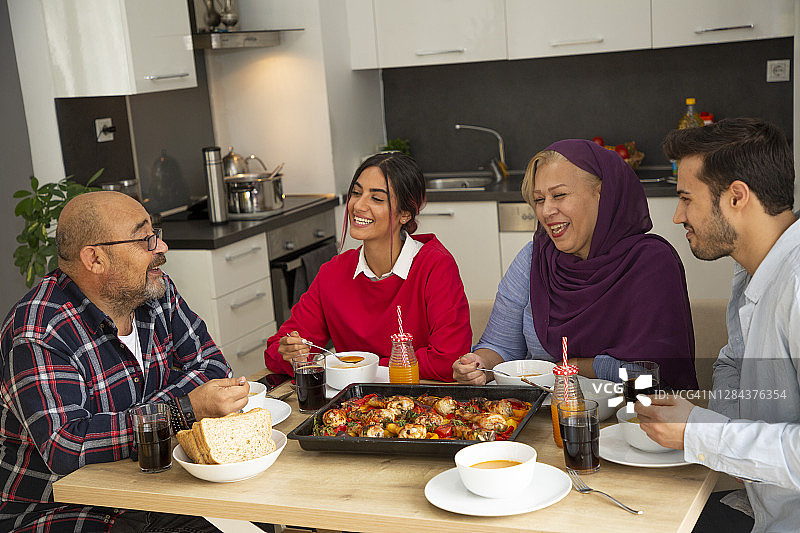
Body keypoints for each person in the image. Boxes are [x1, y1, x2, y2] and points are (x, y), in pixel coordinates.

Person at [0, 191, 249, 532]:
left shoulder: (155, 292)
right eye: (144, 239)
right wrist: (181, 411)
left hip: (147, 486)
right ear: (95, 259)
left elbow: (213, 367)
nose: (161, 247)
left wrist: (147, 420)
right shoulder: (38, 331)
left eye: (155, 233)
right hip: (58, 509)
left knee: (254, 514)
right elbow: (66, 446)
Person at [636, 118, 800, 533]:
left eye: (686, 199)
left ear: (737, 197)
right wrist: (715, 436)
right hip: (760, 509)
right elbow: (732, 363)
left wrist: (700, 432)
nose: (678, 216)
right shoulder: (754, 269)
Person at [453, 139, 698, 389]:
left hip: (632, 411)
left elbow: (653, 377)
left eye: (559, 195)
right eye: (539, 200)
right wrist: (479, 365)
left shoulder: (652, 263)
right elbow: (500, 346)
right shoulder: (533, 258)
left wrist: (573, 366)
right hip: (544, 410)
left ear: (602, 194)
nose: (546, 211)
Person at [264, 152, 471, 381]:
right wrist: (290, 352)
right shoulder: (333, 273)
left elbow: (449, 360)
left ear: (405, 214)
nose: (358, 205)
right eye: (356, 193)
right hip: (355, 400)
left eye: (377, 198)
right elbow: (275, 351)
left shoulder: (436, 267)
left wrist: (359, 366)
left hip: (423, 398)